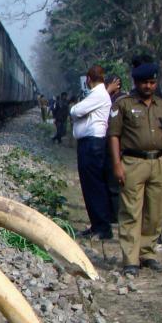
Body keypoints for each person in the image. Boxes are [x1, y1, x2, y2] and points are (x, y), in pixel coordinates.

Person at [108, 61, 162, 276]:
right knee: (131, 211)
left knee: (155, 212)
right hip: (132, 163)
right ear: (136, 83)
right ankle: (131, 258)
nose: (149, 86)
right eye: (145, 82)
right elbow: (114, 136)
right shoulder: (124, 104)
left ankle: (148, 253)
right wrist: (117, 164)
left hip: (158, 163)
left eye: (152, 82)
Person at [69, 66, 113, 239]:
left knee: (94, 186)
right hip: (89, 143)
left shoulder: (98, 94)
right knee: (89, 186)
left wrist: (76, 111)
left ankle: (103, 227)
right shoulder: (96, 94)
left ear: (88, 78)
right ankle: (96, 224)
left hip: (93, 144)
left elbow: (75, 111)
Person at [104, 75, 125, 219]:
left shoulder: (119, 101)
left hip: (117, 145)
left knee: (114, 184)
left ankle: (115, 215)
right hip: (113, 144)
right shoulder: (116, 99)